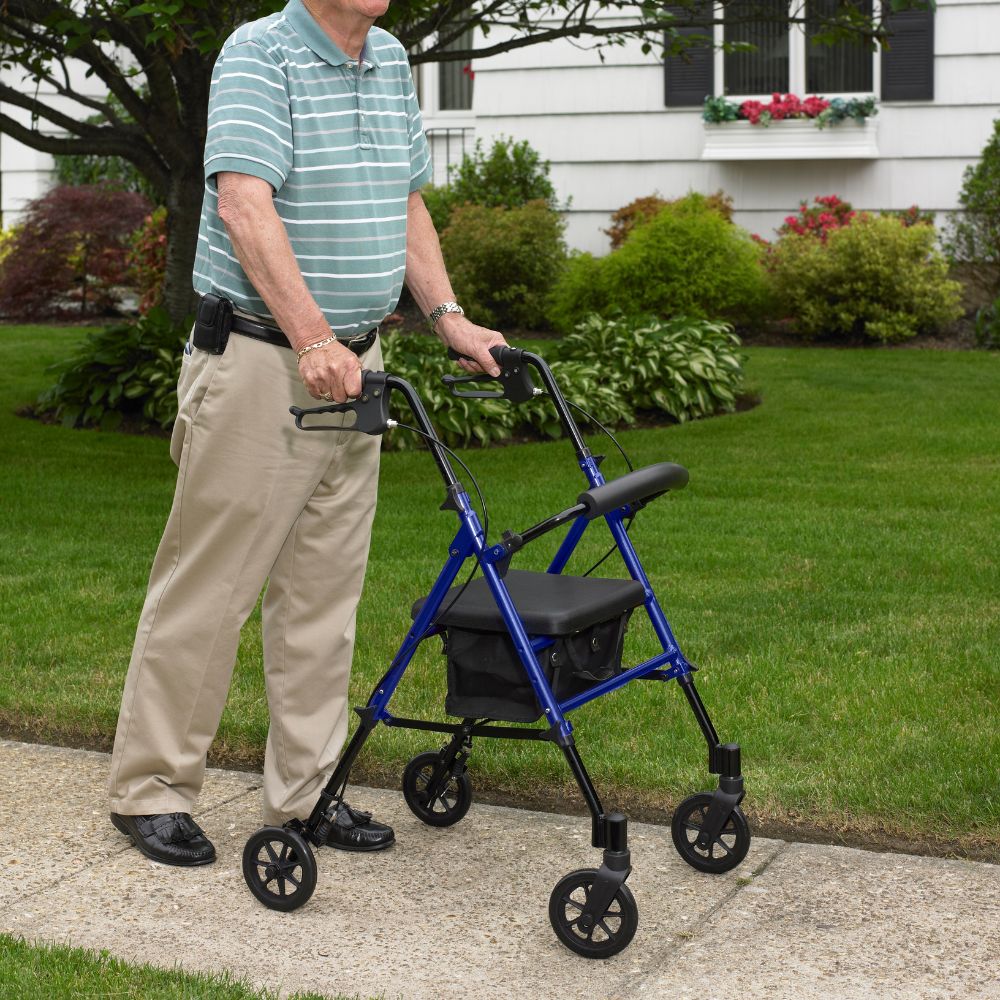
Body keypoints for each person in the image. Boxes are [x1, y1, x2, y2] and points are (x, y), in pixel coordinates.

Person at [107, 0, 505, 866]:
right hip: (261, 363)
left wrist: (448, 317)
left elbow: (404, 203)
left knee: (323, 600)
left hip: (352, 369)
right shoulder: (262, 54)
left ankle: (307, 791)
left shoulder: (390, 58)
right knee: (209, 590)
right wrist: (312, 337)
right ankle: (152, 790)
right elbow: (246, 207)